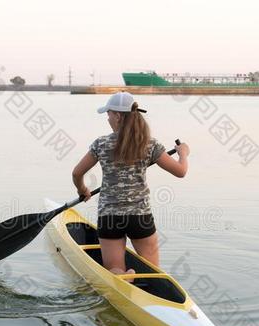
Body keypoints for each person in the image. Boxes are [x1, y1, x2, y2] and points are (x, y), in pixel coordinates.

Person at [72, 91, 190, 281]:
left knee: (114, 273)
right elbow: (180, 171)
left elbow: (77, 173)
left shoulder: (101, 144)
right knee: (153, 273)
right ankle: (149, 289)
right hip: (140, 217)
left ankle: (124, 276)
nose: (107, 117)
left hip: (110, 218)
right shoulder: (150, 144)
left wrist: (82, 190)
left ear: (117, 116)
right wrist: (183, 153)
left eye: (108, 113)